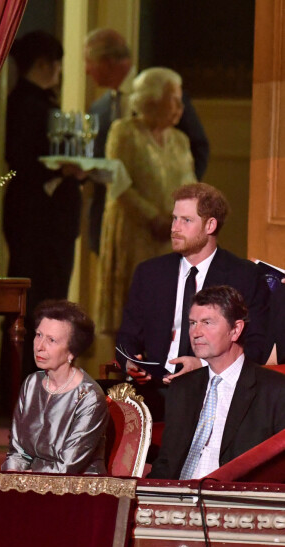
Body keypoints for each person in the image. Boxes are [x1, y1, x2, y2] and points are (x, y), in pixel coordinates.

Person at [117, 183, 270, 420]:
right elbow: (126, 337)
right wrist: (130, 363)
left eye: (186, 221)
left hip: (212, 391)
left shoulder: (244, 275)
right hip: (153, 392)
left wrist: (202, 365)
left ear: (210, 225)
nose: (174, 228)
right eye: (174, 219)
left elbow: (256, 347)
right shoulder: (150, 273)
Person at [3, 30, 84, 377]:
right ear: (43, 64)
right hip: (40, 223)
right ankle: (31, 380)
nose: (59, 72)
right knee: (40, 303)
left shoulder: (31, 101)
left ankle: (35, 378)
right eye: (56, 65)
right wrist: (61, 169)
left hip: (41, 221)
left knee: (43, 302)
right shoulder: (30, 103)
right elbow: (20, 158)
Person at [84, 28, 209, 253]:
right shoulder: (99, 108)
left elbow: (197, 148)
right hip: (121, 224)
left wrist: (178, 204)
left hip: (169, 227)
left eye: (89, 62)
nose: (86, 71)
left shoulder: (164, 88)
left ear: (108, 61)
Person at [94, 67, 196, 335]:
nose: (180, 106)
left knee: (171, 321)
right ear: (151, 99)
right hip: (136, 235)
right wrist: (153, 218)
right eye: (173, 98)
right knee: (135, 320)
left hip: (173, 239)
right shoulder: (124, 132)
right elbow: (119, 184)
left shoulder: (180, 140)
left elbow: (193, 188)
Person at [148, 285, 285, 480]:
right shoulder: (182, 388)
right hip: (177, 499)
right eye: (193, 323)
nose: (196, 333)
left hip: (233, 501)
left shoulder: (275, 390)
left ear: (235, 329)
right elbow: (167, 462)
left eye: (207, 322)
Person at [1, 300, 108, 474]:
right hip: (31, 482)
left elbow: (68, 466)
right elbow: (17, 451)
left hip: (78, 488)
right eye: (38, 335)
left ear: (71, 352)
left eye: (51, 340)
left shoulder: (89, 397)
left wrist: (28, 480)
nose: (40, 347)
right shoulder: (31, 383)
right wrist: (13, 478)